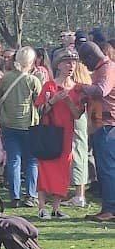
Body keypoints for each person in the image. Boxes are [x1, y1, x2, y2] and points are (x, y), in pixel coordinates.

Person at [34, 49, 85, 219]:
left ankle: (56, 208)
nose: (71, 66)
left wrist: (69, 101)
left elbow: (78, 114)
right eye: (67, 62)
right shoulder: (49, 85)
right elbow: (40, 109)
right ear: (59, 65)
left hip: (66, 135)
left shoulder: (77, 88)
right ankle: (42, 207)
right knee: (45, 168)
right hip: (49, 133)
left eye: (73, 62)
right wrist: (53, 100)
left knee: (63, 170)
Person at [0, 46, 41, 207]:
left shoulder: (6, 78)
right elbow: (39, 103)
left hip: (9, 124)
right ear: (32, 62)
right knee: (32, 161)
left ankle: (15, 196)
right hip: (29, 124)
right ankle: (31, 195)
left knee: (14, 160)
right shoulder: (33, 80)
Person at [76, 41, 115, 223]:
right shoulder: (101, 69)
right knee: (104, 169)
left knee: (108, 169)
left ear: (91, 56)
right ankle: (108, 207)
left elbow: (102, 90)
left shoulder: (108, 68)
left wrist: (82, 88)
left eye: (84, 61)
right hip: (101, 125)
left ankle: (110, 209)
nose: (84, 65)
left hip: (108, 126)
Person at [64, 56, 91, 208]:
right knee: (80, 152)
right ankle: (79, 193)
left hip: (77, 120)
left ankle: (79, 195)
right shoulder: (86, 84)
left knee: (78, 153)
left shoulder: (78, 88)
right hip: (83, 120)